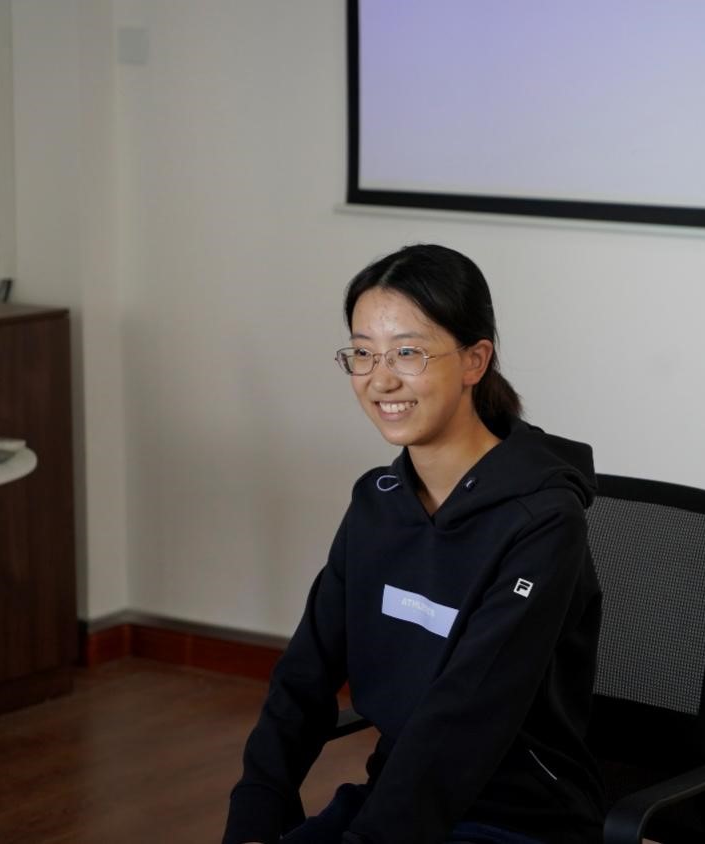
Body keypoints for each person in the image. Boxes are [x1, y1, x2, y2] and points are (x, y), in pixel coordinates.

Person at [223, 244, 605, 844]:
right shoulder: (379, 505)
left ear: (475, 361)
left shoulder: (543, 520)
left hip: (519, 818)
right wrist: (257, 811)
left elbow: (466, 716)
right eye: (363, 353)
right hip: (397, 798)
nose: (381, 379)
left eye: (408, 352)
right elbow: (304, 676)